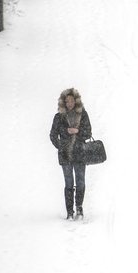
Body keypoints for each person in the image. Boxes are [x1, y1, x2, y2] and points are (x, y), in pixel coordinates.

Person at [49, 88, 92, 219]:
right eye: (67, 101)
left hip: (80, 153)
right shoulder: (58, 117)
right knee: (68, 183)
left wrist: (77, 131)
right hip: (65, 155)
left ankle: (79, 208)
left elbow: (88, 133)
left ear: (76, 101)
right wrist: (61, 146)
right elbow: (52, 135)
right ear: (63, 102)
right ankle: (69, 212)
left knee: (80, 182)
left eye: (72, 101)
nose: (69, 103)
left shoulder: (83, 114)